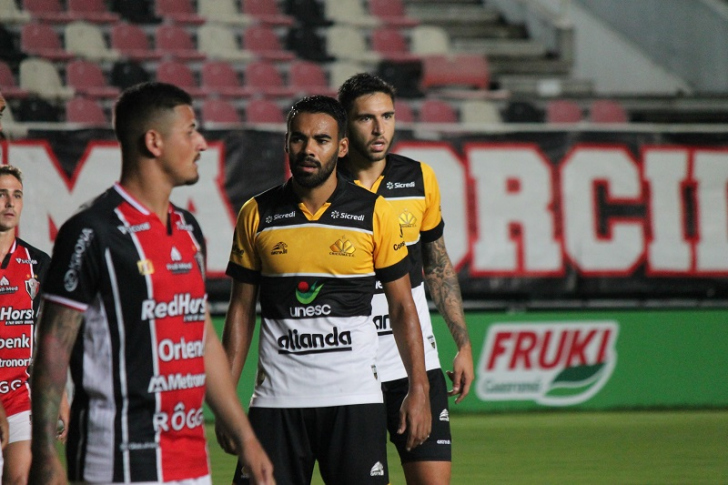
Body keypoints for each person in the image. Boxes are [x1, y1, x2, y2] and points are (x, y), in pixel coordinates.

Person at [27, 82, 275, 485]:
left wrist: (246, 437)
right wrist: (44, 454)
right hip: (117, 460)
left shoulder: (188, 229)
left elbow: (201, 339)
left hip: (192, 460)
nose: (201, 144)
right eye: (191, 131)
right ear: (154, 142)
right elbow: (53, 350)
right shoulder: (91, 232)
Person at [216, 95, 431, 484]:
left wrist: (419, 389)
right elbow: (241, 310)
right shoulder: (257, 213)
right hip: (276, 405)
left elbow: (402, 307)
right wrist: (228, 402)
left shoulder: (374, 212)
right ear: (286, 143)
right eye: (298, 139)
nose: (308, 150)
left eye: (322, 140)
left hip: (355, 403)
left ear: (342, 146)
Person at [338, 73, 474, 485]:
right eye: (366, 118)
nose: (380, 129)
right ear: (344, 124)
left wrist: (462, 344)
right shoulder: (322, 186)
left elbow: (437, 265)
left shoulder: (419, 178)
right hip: (350, 363)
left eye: (387, 116)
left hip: (414, 357)